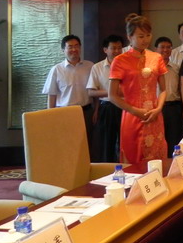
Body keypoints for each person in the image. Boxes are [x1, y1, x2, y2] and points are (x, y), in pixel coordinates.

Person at [109, 14, 167, 164]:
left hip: (154, 116)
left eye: (148, 35)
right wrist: (135, 111)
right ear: (130, 37)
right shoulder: (120, 60)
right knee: (133, 158)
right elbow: (112, 95)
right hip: (132, 116)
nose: (145, 40)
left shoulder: (156, 57)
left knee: (156, 158)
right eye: (141, 36)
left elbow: (163, 90)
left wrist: (158, 108)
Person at [42, 34, 94, 148]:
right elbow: (51, 95)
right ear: (63, 50)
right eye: (70, 47)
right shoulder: (56, 69)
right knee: (66, 144)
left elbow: (96, 91)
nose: (74, 49)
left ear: (80, 48)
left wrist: (96, 111)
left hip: (86, 112)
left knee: (86, 144)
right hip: (64, 113)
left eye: (76, 46)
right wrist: (50, 116)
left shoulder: (90, 66)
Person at [86, 34, 124, 162]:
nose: (117, 51)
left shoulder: (127, 66)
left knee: (125, 142)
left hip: (125, 107)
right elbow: (91, 92)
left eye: (119, 48)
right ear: (105, 50)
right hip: (107, 108)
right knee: (107, 143)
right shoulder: (97, 67)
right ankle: (107, 170)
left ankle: (127, 169)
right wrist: (112, 92)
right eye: (113, 48)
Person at [156, 36, 183, 157]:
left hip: (173, 107)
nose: (165, 50)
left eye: (168, 47)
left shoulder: (176, 68)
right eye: (162, 47)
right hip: (157, 108)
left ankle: (173, 162)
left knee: (174, 138)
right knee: (158, 138)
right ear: (156, 49)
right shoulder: (151, 68)